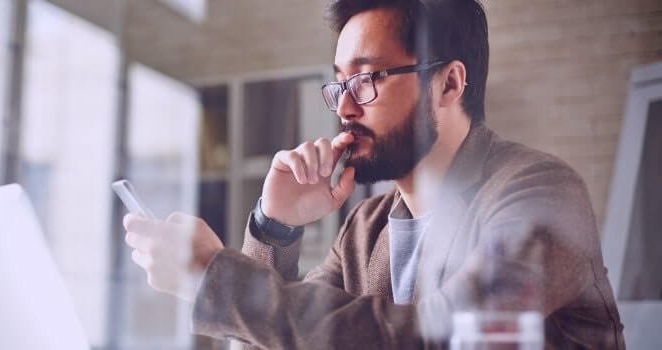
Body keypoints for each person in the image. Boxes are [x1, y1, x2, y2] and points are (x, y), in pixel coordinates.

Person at [122, 0, 625, 348]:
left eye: (368, 78)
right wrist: (275, 227)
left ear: (448, 84)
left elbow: (437, 338)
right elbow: (269, 344)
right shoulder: (365, 229)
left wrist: (216, 278)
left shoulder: (541, 197)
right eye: (340, 83)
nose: (344, 107)